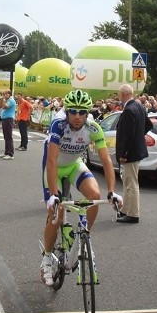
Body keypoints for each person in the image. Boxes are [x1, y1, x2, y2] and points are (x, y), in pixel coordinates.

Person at [39, 89, 122, 286]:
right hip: (54, 168)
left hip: (74, 165)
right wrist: (52, 195)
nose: (77, 116)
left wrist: (111, 191)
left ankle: (85, 237)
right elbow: (51, 161)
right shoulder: (58, 126)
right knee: (55, 213)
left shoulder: (93, 129)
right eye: (73, 111)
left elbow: (106, 161)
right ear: (67, 112)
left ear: (88, 113)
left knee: (95, 195)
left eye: (82, 112)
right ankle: (47, 259)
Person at [114, 84, 152, 224]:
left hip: (130, 153)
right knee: (127, 182)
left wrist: (124, 153)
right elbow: (148, 125)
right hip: (135, 150)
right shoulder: (139, 107)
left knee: (131, 183)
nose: (118, 97)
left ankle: (133, 213)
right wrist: (138, 137)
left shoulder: (129, 110)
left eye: (119, 94)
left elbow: (128, 135)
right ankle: (126, 210)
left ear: (123, 94)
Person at [0, 89, 16, 159]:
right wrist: (2, 100)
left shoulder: (11, 100)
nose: (4, 95)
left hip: (9, 119)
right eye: (3, 94)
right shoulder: (6, 100)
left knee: (9, 136)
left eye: (5, 94)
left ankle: (10, 154)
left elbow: (5, 106)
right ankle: (6, 152)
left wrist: (4, 100)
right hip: (5, 119)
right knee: (6, 136)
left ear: (9, 94)